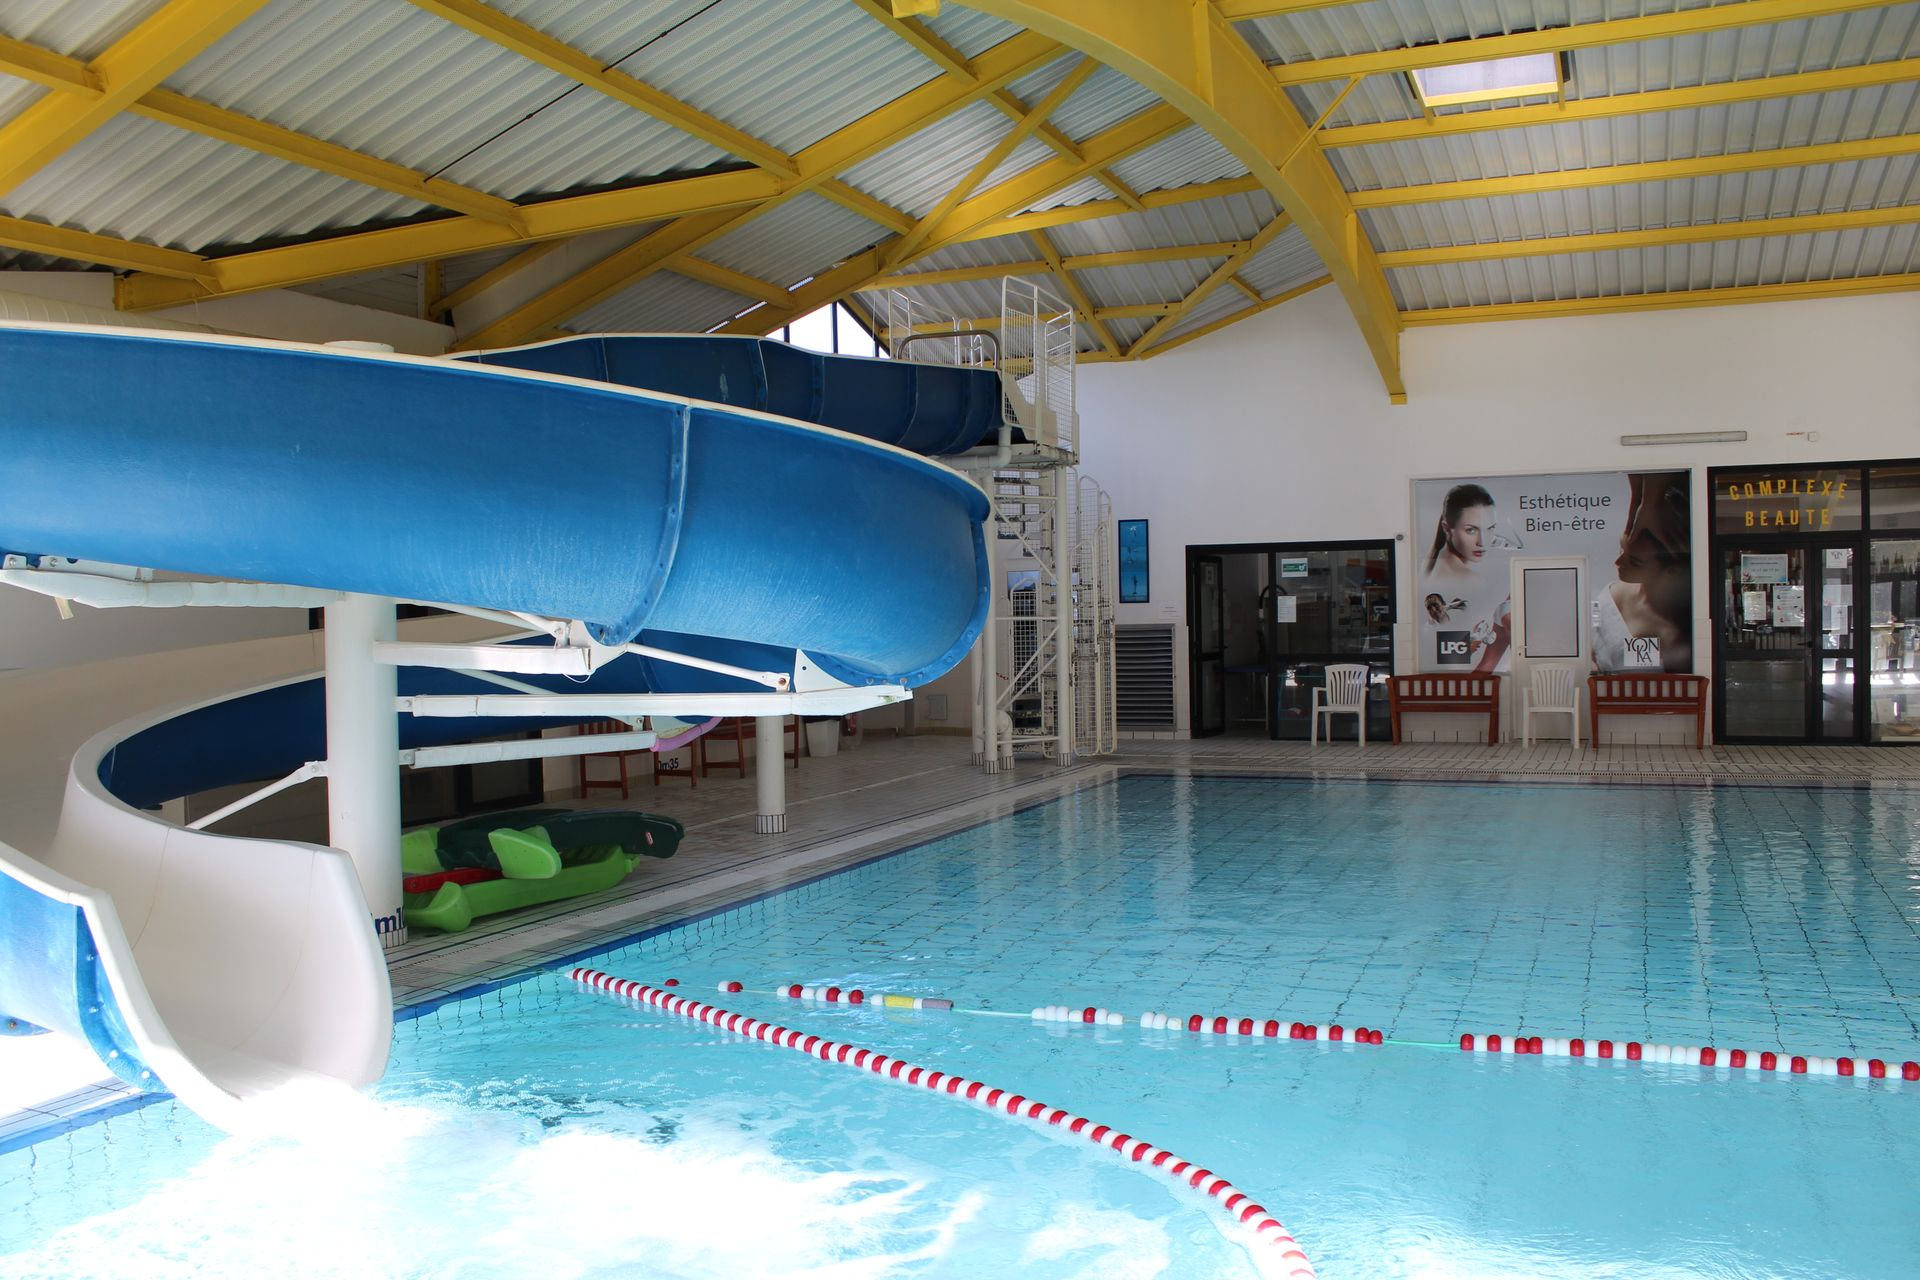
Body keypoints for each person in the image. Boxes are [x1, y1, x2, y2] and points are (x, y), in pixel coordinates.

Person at [1595, 471, 1691, 672]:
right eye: (1622, 549)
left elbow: (1638, 674)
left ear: (1672, 570)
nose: (1617, 562)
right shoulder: (1612, 595)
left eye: (1635, 561)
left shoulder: (1671, 633)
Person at [1421, 483, 1512, 672]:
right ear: (1447, 528)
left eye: (1489, 529)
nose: (1482, 541)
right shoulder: (1470, 579)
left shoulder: (1429, 565)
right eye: (1471, 530)